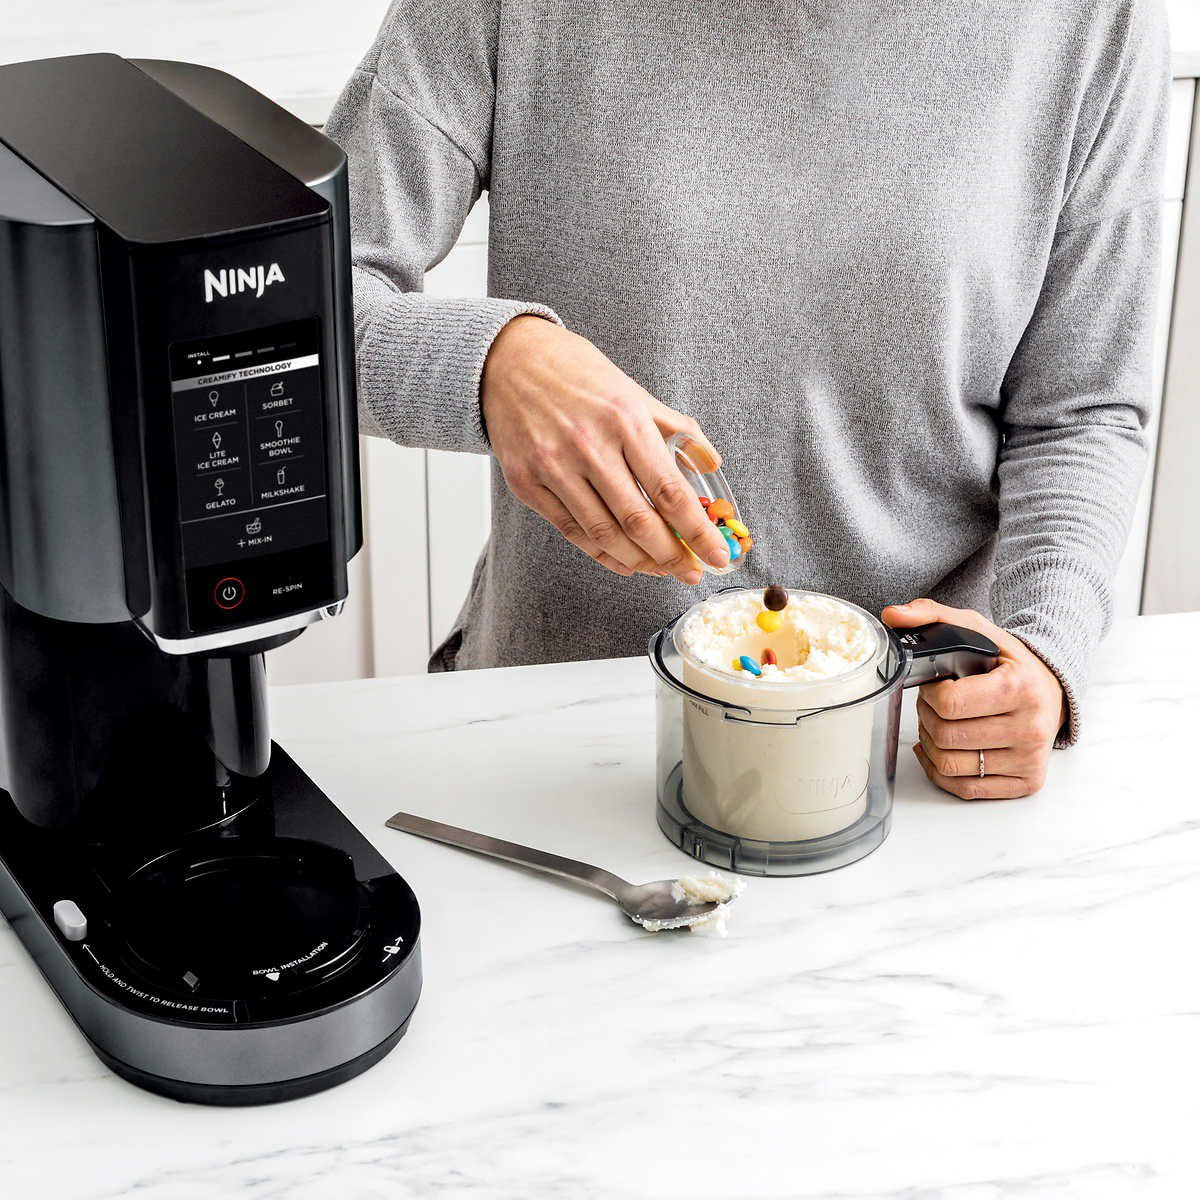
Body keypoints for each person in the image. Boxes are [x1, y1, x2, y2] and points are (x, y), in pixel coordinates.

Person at [325, 0, 1170, 801]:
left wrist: (1042, 650)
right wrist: (495, 365)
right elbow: (295, 311)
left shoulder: (1093, 19)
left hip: (909, 749)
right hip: (562, 735)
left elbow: (1082, 409)